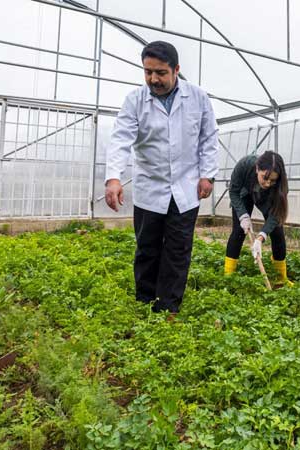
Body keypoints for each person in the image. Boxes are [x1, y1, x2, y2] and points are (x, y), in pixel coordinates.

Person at [104, 41, 218, 315]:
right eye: (148, 72)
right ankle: (145, 302)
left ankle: (168, 308)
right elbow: (121, 139)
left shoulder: (198, 97)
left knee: (178, 251)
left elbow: (209, 137)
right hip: (149, 188)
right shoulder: (135, 100)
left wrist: (207, 175)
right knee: (147, 248)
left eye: (160, 72)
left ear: (176, 70)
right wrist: (113, 178)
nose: (153, 79)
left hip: (185, 187)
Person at [223, 151, 293, 287]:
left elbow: (276, 214)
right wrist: (243, 215)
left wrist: (261, 237)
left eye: (272, 180)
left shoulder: (280, 186)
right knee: (238, 231)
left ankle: (281, 278)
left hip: (267, 198)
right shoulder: (244, 165)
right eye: (264, 177)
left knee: (277, 231)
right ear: (257, 169)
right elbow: (233, 191)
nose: (267, 183)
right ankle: (228, 276)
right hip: (244, 193)